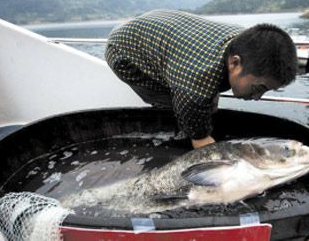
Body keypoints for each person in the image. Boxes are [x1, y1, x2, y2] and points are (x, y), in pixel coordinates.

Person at [105, 9, 297, 149]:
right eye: (259, 87)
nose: (257, 97)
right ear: (234, 63)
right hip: (124, 51)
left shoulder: (247, 42)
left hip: (160, 27)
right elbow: (194, 104)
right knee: (173, 105)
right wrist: (200, 138)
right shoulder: (195, 82)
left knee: (202, 102)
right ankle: (173, 144)